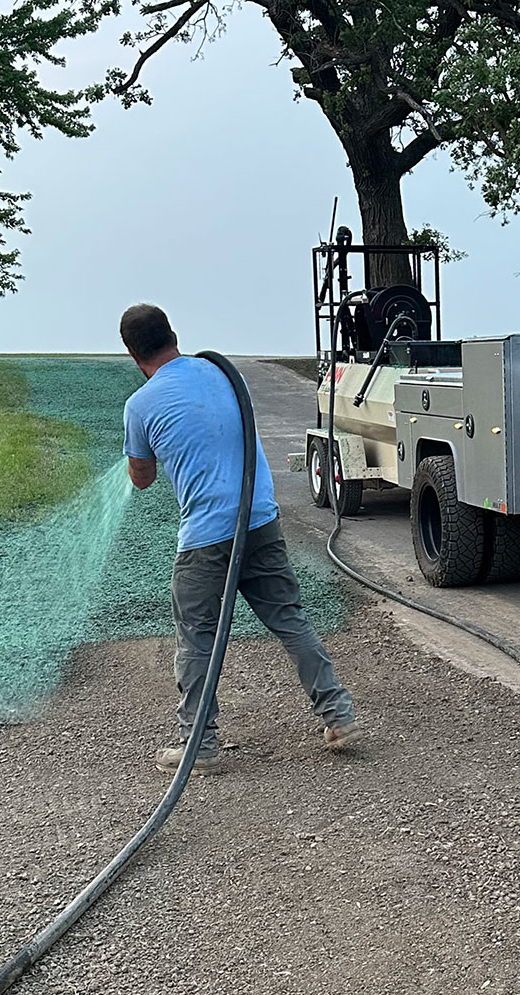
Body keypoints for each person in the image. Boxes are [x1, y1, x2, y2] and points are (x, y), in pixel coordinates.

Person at [119, 303, 357, 772]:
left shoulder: (140, 405)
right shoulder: (226, 375)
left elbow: (141, 477)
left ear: (132, 353)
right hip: (259, 520)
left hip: (206, 538)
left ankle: (198, 747)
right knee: (290, 620)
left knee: (195, 639)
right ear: (174, 334)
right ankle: (339, 714)